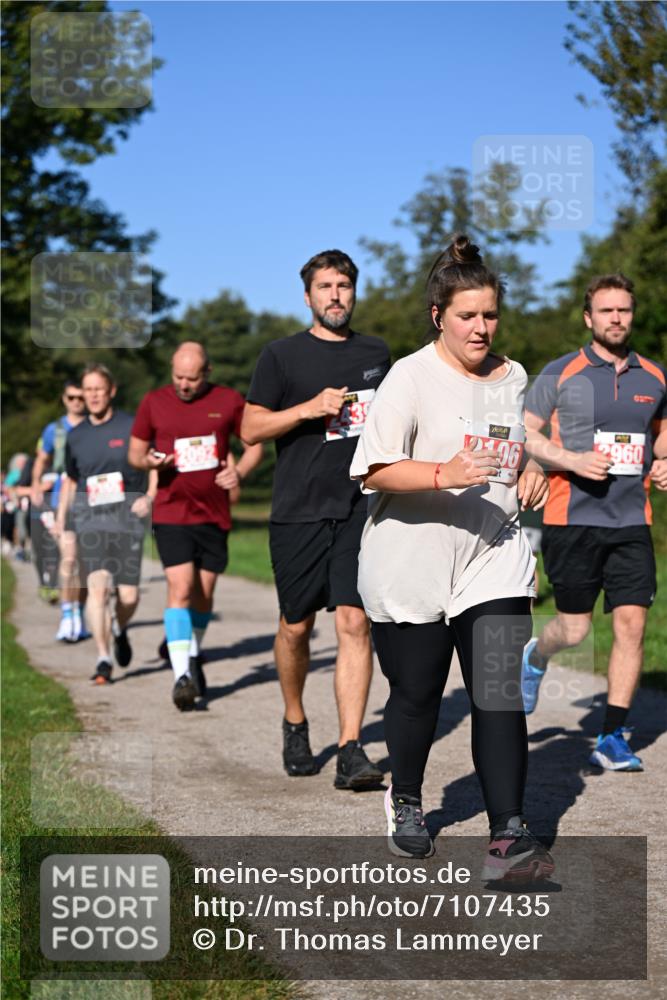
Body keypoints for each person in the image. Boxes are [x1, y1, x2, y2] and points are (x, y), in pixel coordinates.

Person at [350, 235, 554, 881]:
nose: (480, 327)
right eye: (467, 315)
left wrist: (530, 473)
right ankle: (406, 800)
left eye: (489, 314)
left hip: (491, 552)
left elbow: (515, 448)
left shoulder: (512, 376)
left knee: (496, 694)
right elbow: (374, 469)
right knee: (416, 694)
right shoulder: (409, 376)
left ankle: (507, 835)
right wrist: (445, 471)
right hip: (410, 555)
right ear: (439, 315)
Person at [242, 249, 390, 788]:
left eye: (344, 286)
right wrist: (306, 409)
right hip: (298, 511)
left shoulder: (378, 353)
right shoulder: (280, 356)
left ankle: (352, 747)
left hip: (359, 507)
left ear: (354, 292)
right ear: (307, 296)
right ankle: (295, 719)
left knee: (354, 621)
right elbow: (251, 429)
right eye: (325, 287)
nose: (335, 295)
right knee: (296, 626)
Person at [522, 273, 667, 770]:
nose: (616, 318)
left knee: (632, 624)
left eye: (623, 310)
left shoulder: (655, 376)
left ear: (632, 314)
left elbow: (661, 434)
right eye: (606, 311)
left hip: (631, 519)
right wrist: (570, 460)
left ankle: (612, 734)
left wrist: (664, 460)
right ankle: (536, 657)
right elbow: (524, 436)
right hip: (571, 517)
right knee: (576, 630)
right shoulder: (559, 373)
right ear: (589, 318)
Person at [129, 342, 263, 711]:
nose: (184, 384)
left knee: (203, 593)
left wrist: (239, 472)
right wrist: (151, 462)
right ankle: (181, 676)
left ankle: (192, 652)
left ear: (207, 372)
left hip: (213, 514)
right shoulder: (154, 402)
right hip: (171, 511)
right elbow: (134, 453)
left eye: (191, 378)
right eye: (178, 377)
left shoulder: (229, 400)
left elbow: (254, 445)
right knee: (181, 587)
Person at [58, 363, 152, 684]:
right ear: (82, 395)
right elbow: (71, 481)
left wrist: (148, 496)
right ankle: (102, 658)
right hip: (90, 521)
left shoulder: (132, 425)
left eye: (99, 389)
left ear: (111, 391)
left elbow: (152, 463)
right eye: (88, 390)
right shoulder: (75, 436)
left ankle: (118, 627)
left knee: (128, 597)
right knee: (97, 591)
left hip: (127, 520)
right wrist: (63, 523)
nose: (93, 395)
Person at [31, 379, 88, 638]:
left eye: (81, 397)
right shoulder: (54, 430)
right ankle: (68, 615)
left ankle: (81, 613)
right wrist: (34, 485)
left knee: (86, 566)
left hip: (92, 502)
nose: (77, 402)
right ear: (64, 399)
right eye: (72, 398)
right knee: (69, 559)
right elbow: (42, 459)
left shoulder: (95, 426)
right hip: (60, 501)